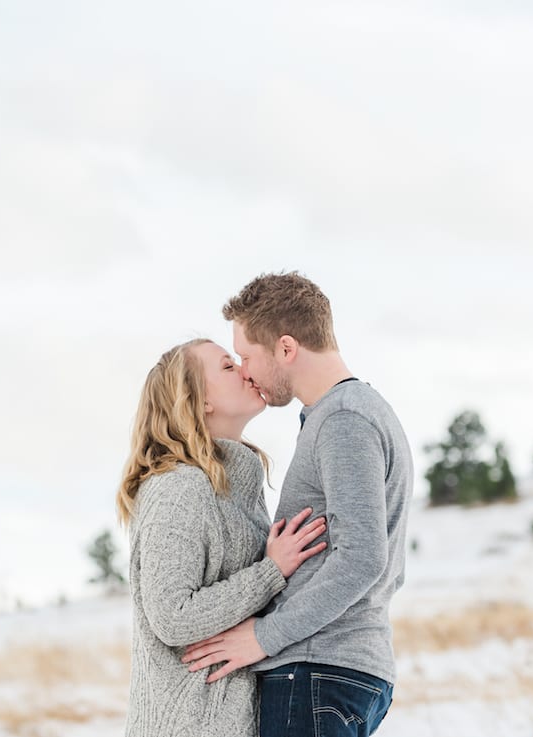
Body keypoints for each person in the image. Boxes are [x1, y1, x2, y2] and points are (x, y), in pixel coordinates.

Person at [181, 272, 413, 737]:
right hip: (328, 671)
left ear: (286, 349)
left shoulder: (344, 419)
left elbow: (364, 557)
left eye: (246, 356)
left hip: (317, 669)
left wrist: (264, 637)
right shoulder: (341, 415)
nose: (244, 371)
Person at [118, 338, 328, 737]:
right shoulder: (178, 487)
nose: (245, 370)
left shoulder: (236, 489)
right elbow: (172, 616)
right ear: (200, 402)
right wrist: (271, 571)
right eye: (228, 367)